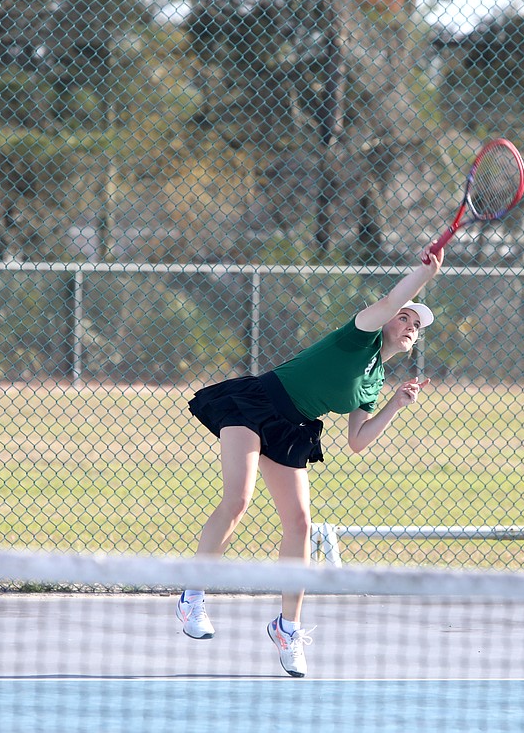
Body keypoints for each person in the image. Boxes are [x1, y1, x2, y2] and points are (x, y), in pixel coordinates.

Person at [177, 248, 444, 677]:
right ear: (387, 321)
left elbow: (357, 441)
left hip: (294, 428)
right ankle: (192, 596)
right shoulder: (359, 336)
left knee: (300, 524)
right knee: (238, 499)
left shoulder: (375, 379)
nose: (411, 326)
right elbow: (392, 299)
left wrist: (394, 404)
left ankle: (287, 628)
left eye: (416, 324)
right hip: (256, 404)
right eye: (405, 318)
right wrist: (426, 273)